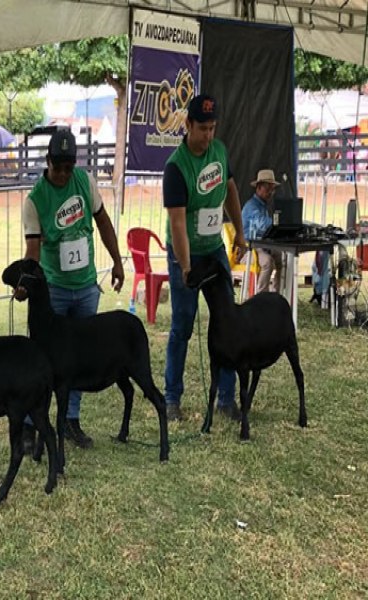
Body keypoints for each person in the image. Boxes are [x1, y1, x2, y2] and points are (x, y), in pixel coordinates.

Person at [20, 129, 125, 450]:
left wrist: (117, 262)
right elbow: (33, 252)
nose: (64, 174)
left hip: (86, 288)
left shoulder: (85, 182)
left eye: (69, 167)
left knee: (78, 359)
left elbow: (104, 223)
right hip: (52, 293)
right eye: (58, 167)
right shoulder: (35, 200)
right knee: (40, 360)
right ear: (47, 162)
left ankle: (70, 420)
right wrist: (26, 285)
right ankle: (29, 423)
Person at [162, 94, 247, 422]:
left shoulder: (220, 151)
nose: (208, 135)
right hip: (186, 252)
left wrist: (239, 232)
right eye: (202, 129)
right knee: (182, 325)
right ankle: (172, 399)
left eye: (212, 128)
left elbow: (230, 191)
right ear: (187, 125)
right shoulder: (176, 167)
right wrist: (185, 267)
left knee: (226, 320)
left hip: (214, 248)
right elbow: (178, 223)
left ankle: (226, 399)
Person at [241, 168, 284, 294]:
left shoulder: (262, 205)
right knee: (267, 262)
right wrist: (279, 224)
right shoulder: (252, 206)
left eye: (272, 189)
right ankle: (261, 296)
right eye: (267, 188)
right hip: (249, 249)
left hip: (262, 246)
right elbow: (262, 225)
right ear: (258, 188)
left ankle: (277, 293)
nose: (270, 192)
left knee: (282, 258)